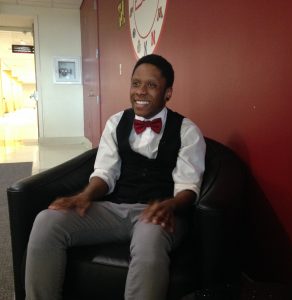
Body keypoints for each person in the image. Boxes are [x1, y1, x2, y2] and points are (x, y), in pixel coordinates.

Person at [25, 54, 206, 300]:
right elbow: (105, 173)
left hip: (159, 215)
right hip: (115, 209)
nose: (141, 91)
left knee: (149, 244)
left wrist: (169, 205)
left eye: (151, 85)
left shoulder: (187, 131)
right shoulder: (116, 122)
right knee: (47, 221)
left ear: (168, 93)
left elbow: (188, 187)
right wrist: (84, 196)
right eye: (136, 83)